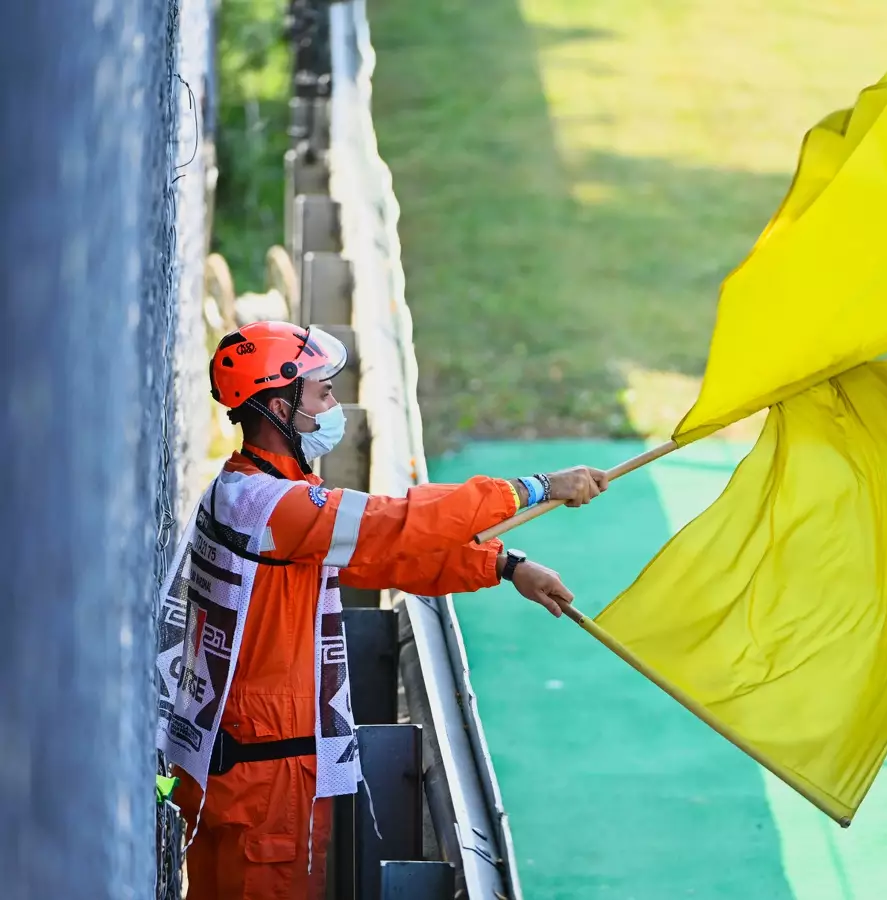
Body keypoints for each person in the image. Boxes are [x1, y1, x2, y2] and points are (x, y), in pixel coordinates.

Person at [161, 321, 606, 899]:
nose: (333, 404)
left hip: (240, 767)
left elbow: (383, 560)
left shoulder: (249, 492)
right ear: (278, 406)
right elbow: (400, 522)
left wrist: (503, 565)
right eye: (322, 392)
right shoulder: (279, 507)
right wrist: (537, 486)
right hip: (268, 784)